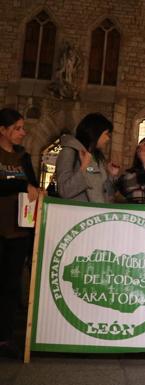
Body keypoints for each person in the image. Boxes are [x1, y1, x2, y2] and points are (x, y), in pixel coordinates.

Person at [0, 108, 39, 358]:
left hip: (18, 231)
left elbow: (33, 184)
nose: (23, 133)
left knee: (11, 286)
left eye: (23, 128)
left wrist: (36, 190)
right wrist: (20, 184)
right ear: (2, 130)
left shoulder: (24, 157)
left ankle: (4, 338)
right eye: (17, 128)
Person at [56, 113, 119, 203]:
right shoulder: (69, 152)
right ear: (95, 132)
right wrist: (84, 167)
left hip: (96, 214)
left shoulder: (97, 157)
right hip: (78, 214)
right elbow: (64, 191)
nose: (108, 139)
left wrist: (111, 176)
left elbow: (105, 193)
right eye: (106, 134)